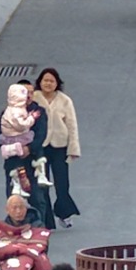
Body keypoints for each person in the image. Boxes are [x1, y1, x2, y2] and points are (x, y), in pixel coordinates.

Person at [31, 67, 81, 221]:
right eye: (45, 80)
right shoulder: (33, 98)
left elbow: (72, 125)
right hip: (40, 147)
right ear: (40, 82)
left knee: (62, 183)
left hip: (60, 146)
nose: (48, 83)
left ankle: (64, 213)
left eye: (52, 81)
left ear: (57, 83)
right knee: (42, 184)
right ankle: (47, 219)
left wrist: (73, 148)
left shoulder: (65, 100)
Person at [0, 82, 39, 201]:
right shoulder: (11, 112)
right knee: (14, 199)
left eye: (31, 93)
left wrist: (29, 148)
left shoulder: (39, 111)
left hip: (32, 160)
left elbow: (41, 135)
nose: (29, 96)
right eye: (26, 93)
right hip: (13, 160)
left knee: (38, 199)